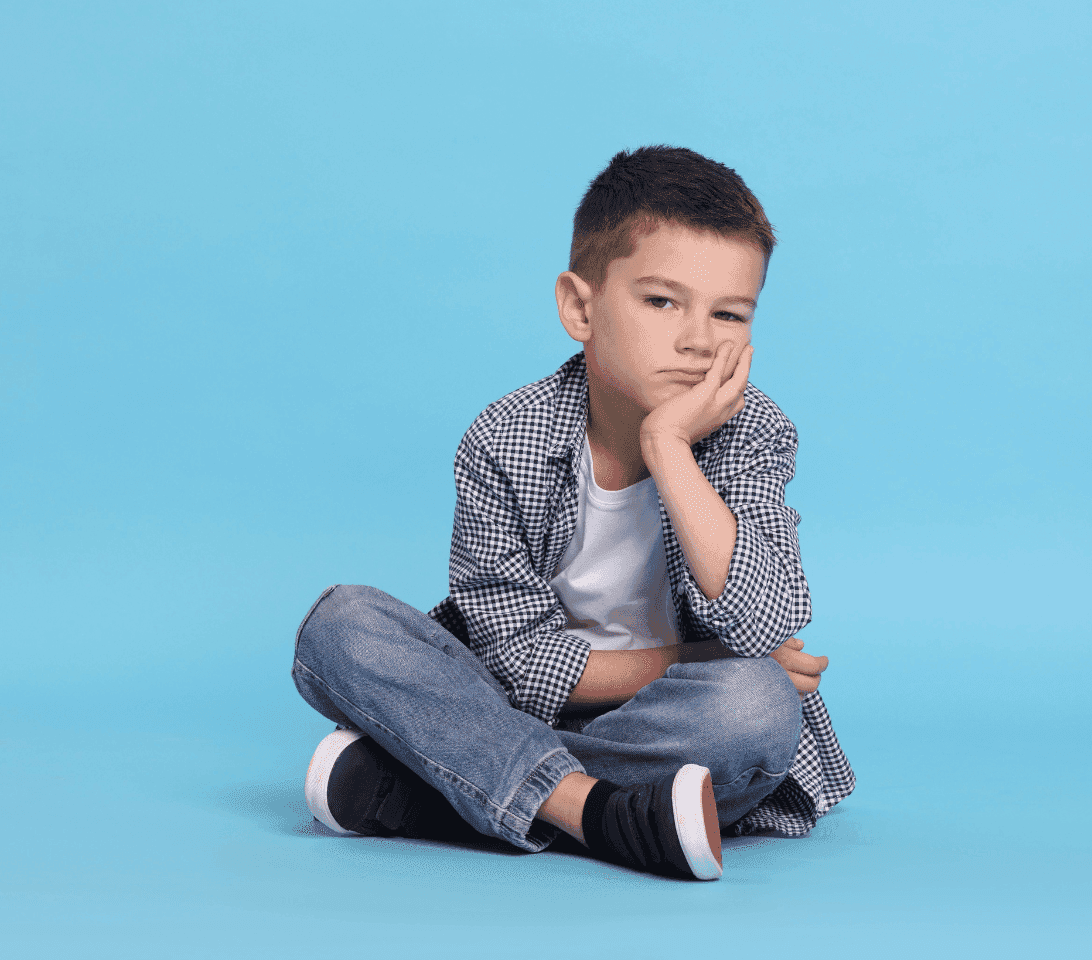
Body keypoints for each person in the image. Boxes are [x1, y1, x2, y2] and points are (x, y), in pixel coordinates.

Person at [290, 146, 855, 880]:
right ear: (580, 308)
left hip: (667, 727)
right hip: (507, 704)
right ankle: (602, 813)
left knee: (756, 707)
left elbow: (761, 623)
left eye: (729, 314)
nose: (697, 339)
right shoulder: (504, 438)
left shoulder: (756, 433)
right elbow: (517, 665)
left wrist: (669, 447)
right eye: (662, 301)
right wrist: (693, 657)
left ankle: (440, 782)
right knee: (341, 625)